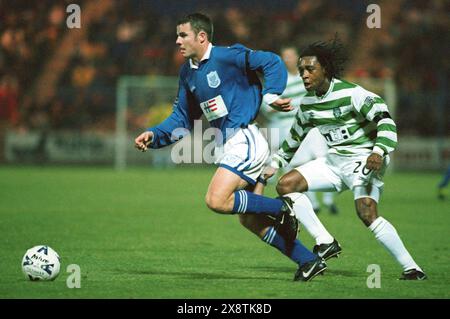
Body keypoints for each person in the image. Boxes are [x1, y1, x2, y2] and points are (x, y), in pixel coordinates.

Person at [134, 13, 326, 282]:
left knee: (216, 199)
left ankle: (282, 208)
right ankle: (308, 260)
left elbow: (271, 61)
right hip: (230, 144)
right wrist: (155, 135)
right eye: (177, 35)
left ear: (201, 37)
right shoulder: (188, 72)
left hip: (244, 139)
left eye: (183, 35)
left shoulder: (228, 56)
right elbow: (182, 117)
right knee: (249, 220)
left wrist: (270, 94)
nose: (177, 41)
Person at [262, 38, 427, 280]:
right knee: (286, 184)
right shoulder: (308, 104)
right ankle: (325, 240)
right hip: (335, 162)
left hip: (364, 159)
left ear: (325, 69)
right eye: (301, 71)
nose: (304, 75)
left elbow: (386, 121)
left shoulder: (353, 94)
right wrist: (275, 163)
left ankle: (412, 268)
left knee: (366, 212)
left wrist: (378, 151)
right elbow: (294, 138)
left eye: (310, 69)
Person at [261, 46, 338, 215]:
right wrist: (279, 105)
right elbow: (266, 108)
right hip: (291, 127)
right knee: (301, 166)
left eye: (291, 56)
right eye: (285, 57)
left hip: (314, 125)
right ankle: (314, 203)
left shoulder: (309, 77)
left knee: (325, 159)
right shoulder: (279, 81)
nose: (288, 59)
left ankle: (329, 201)